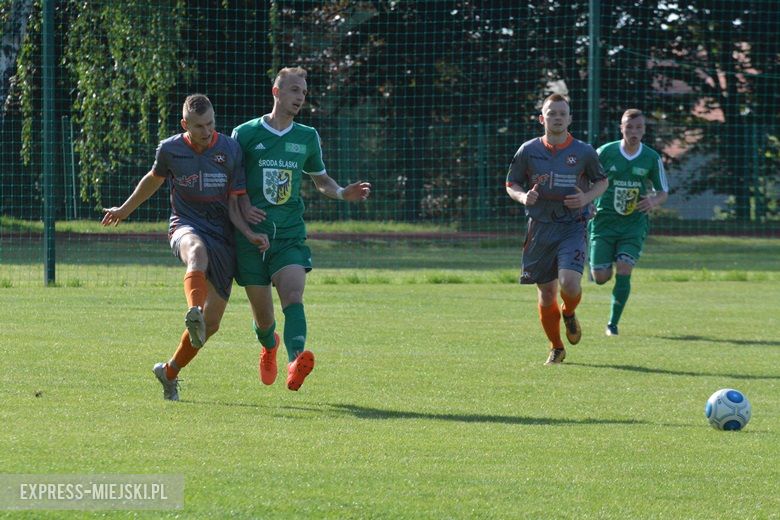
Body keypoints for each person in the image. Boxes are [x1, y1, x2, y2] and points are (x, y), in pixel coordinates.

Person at [102, 94, 269, 401]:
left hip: (224, 237)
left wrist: (248, 228)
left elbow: (237, 200)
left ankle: (169, 372)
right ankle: (192, 308)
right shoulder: (170, 149)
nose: (207, 131)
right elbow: (153, 180)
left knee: (211, 325)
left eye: (211, 124)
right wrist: (125, 210)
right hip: (185, 225)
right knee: (196, 253)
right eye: (199, 126)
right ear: (185, 125)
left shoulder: (231, 149)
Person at [231, 66, 371, 391]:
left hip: (289, 235)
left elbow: (321, 181)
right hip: (251, 240)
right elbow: (232, 187)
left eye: (304, 93)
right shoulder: (245, 134)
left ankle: (295, 362)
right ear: (276, 92)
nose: (300, 98)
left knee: (293, 295)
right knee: (265, 321)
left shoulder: (307, 136)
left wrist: (340, 193)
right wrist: (241, 213)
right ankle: (269, 347)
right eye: (295, 90)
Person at [505, 93, 608, 365]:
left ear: (570, 118)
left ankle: (570, 312)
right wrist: (523, 196)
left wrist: (586, 199)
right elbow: (511, 184)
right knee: (546, 292)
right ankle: (556, 346)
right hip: (539, 227)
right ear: (542, 118)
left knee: (569, 283)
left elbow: (602, 182)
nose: (558, 117)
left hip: (572, 225)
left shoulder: (584, 151)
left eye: (562, 113)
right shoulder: (528, 150)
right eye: (552, 113)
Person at [589, 109, 669, 336]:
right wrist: (588, 201)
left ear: (644, 130)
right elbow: (585, 179)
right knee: (601, 278)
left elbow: (663, 191)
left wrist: (653, 200)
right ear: (621, 127)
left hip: (633, 224)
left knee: (624, 267)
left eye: (639, 128)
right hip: (603, 222)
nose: (634, 132)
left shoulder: (651, 157)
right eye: (629, 127)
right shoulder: (605, 152)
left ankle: (612, 324)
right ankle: (601, 261)